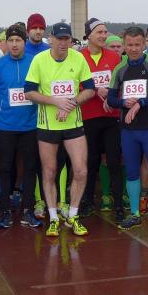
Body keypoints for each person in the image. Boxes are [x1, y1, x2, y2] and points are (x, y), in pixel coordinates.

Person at [24, 22, 95, 237]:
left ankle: (73, 215)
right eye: (60, 39)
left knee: (81, 170)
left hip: (73, 123)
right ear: (51, 39)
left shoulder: (78, 58)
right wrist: (55, 101)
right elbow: (29, 92)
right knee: (50, 171)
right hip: (48, 124)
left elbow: (90, 89)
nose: (64, 43)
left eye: (67, 39)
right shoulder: (39, 60)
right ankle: (53, 217)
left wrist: (71, 103)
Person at [107, 27, 148, 242]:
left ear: (144, 44)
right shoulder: (120, 68)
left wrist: (141, 103)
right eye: (130, 45)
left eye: (138, 45)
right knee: (132, 172)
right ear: (124, 45)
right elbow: (111, 99)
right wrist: (123, 102)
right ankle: (135, 214)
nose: (134, 49)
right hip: (128, 130)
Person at [0, 24, 42, 229]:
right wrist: (1, 112)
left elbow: (41, 88)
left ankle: (28, 210)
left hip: (30, 125)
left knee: (30, 167)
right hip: (6, 126)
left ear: (24, 42)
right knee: (4, 168)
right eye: (11, 40)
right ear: (6, 43)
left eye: (18, 40)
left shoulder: (34, 62)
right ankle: (4, 212)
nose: (14, 44)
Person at [80, 18, 123, 219]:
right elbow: (75, 83)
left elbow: (121, 83)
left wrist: (112, 97)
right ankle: (88, 201)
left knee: (114, 161)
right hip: (88, 117)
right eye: (99, 32)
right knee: (90, 161)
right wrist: (97, 90)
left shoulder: (114, 57)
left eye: (105, 32)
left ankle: (118, 204)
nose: (104, 35)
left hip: (110, 117)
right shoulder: (79, 57)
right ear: (89, 35)